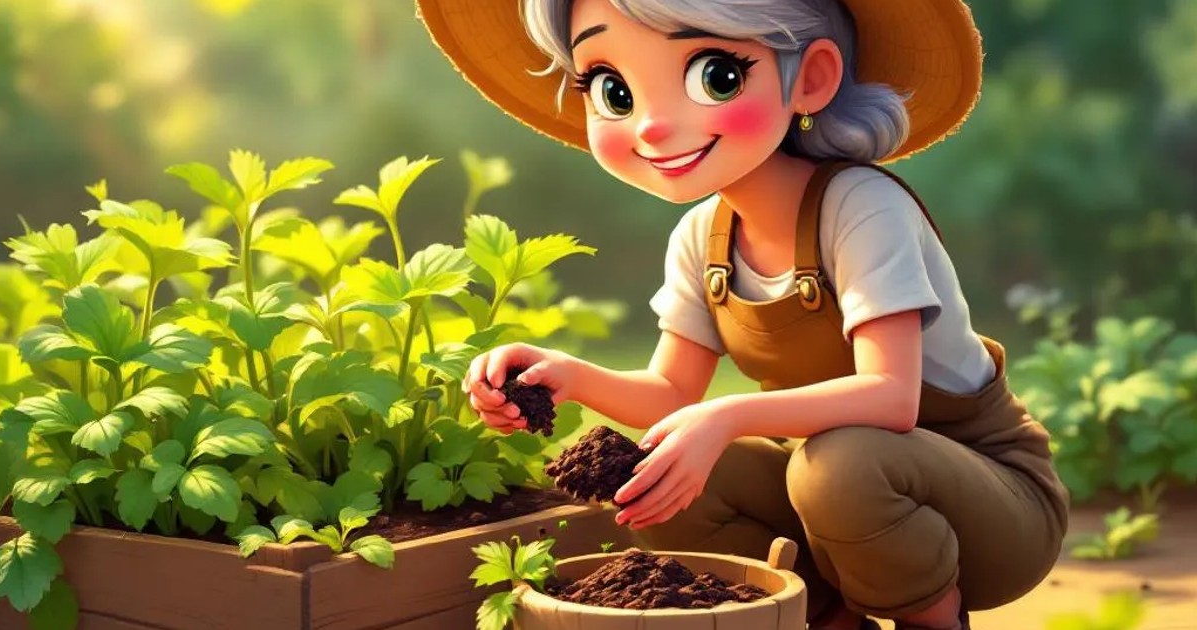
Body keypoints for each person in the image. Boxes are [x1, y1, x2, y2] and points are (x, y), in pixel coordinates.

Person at [418, 1, 1070, 628]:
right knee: (663, 478)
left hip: (986, 509)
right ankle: (827, 619)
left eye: (716, 76)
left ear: (810, 79)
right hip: (834, 504)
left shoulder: (861, 206)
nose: (650, 125)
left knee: (839, 466)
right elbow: (672, 393)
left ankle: (934, 622)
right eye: (613, 89)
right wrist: (563, 374)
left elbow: (891, 399)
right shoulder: (703, 239)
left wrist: (724, 416)